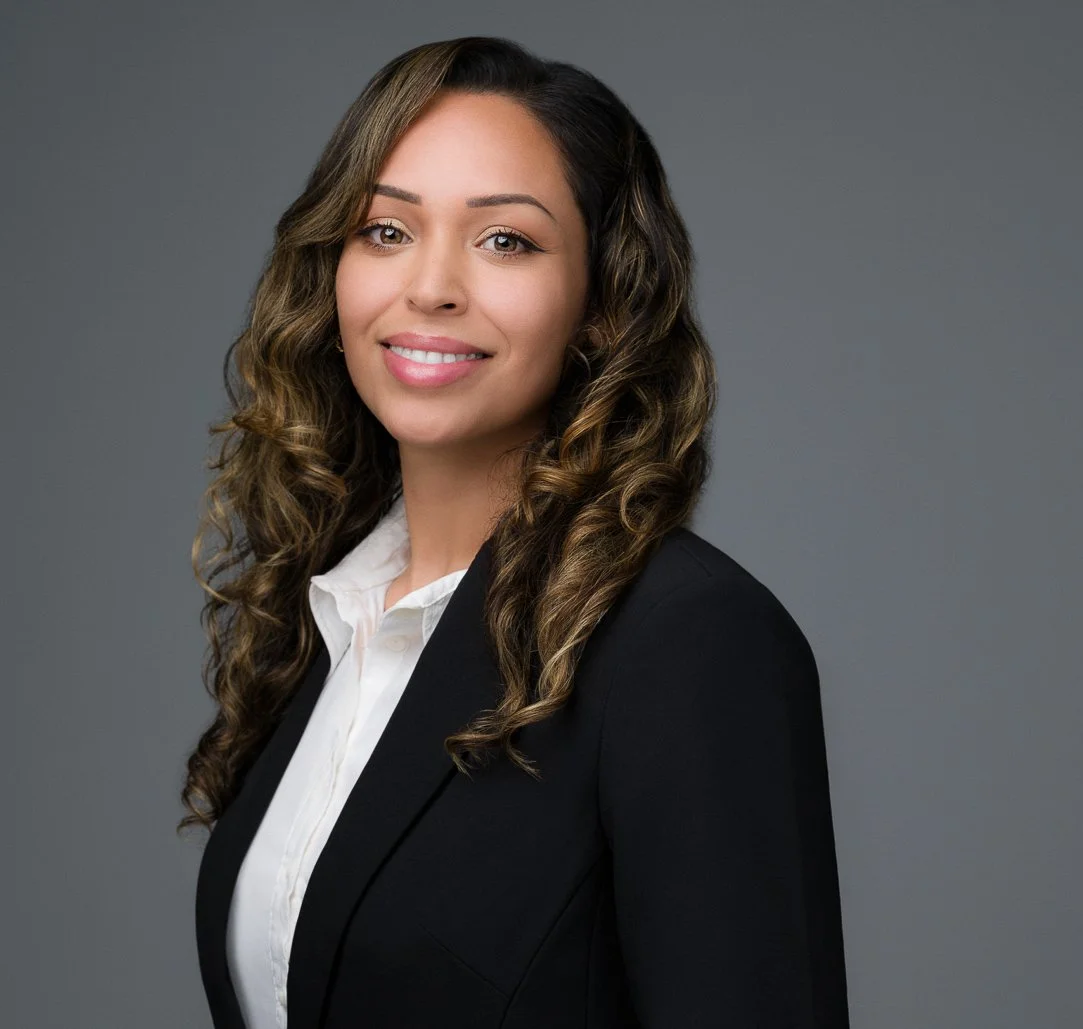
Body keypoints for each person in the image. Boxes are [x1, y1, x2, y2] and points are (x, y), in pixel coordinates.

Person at [180, 35, 849, 1028]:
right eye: (386, 231)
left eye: (506, 241)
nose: (433, 288)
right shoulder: (327, 622)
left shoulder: (692, 642)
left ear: (602, 306)